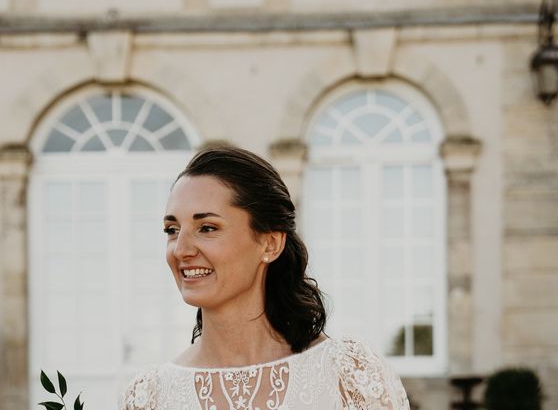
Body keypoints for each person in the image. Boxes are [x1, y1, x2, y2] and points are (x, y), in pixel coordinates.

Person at [121, 146, 410, 410]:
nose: (181, 249)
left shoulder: (346, 375)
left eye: (207, 228)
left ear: (270, 244)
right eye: (172, 230)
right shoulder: (150, 396)